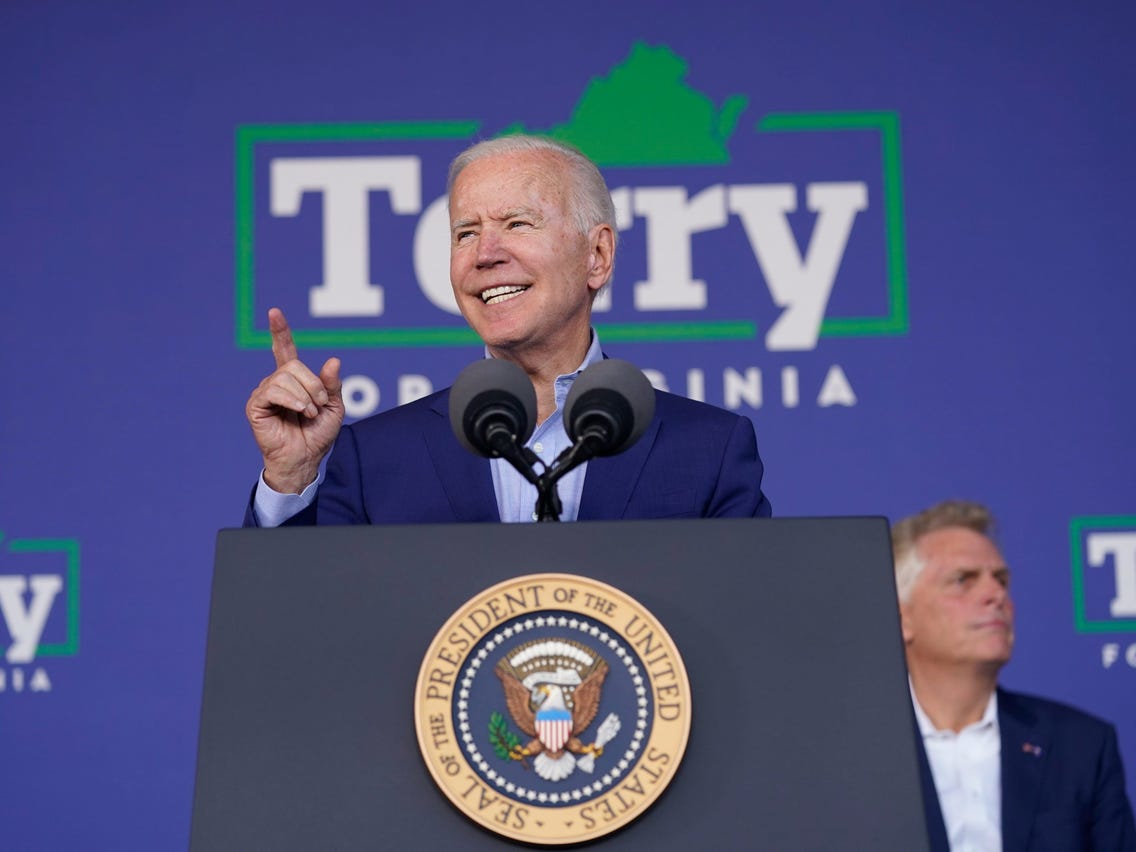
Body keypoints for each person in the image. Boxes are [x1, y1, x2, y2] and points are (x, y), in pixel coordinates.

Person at [244, 134, 771, 526]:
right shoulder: (375, 458)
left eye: (517, 223)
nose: (486, 254)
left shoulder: (708, 450)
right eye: (465, 233)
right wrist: (291, 477)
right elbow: (299, 636)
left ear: (598, 255)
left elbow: (750, 637)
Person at [892, 500, 1136, 852]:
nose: (996, 595)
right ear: (903, 618)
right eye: (963, 580)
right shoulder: (855, 751)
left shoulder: (1079, 746)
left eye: (1001, 580)